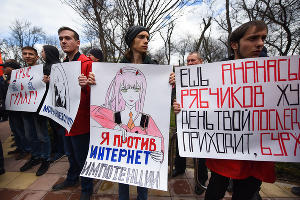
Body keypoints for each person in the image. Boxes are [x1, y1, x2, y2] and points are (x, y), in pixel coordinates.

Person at [170, 21, 275, 200]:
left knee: (246, 193)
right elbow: (203, 102)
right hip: (223, 150)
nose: (260, 43)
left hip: (256, 151)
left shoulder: (274, 72)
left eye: (263, 38)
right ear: (234, 44)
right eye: (253, 38)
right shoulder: (216, 73)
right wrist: (183, 107)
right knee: (215, 188)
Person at [88, 25, 157, 200]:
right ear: (131, 40)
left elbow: (161, 98)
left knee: (143, 174)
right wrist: (95, 82)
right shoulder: (115, 68)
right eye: (141, 37)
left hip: (143, 141)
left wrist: (169, 82)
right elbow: (97, 108)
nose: (146, 40)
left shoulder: (155, 67)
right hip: (121, 142)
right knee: (122, 175)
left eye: (147, 37)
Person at [51, 27, 93, 200]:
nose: (63, 41)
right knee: (70, 153)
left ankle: (86, 189)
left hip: (81, 121)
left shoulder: (88, 63)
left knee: (82, 157)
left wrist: (87, 86)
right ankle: (72, 178)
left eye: (67, 38)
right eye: (61, 38)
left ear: (77, 42)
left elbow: (98, 95)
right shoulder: (61, 66)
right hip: (65, 120)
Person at [171, 52, 208, 195]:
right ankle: (179, 168)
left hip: (202, 121)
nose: (190, 63)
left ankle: (201, 180)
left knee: (201, 153)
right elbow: (173, 97)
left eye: (193, 60)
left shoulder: (208, 76)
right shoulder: (180, 78)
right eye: (188, 61)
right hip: (183, 119)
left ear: (201, 61)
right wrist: (174, 103)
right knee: (181, 146)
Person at [19, 46, 49, 176]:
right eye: (25, 54)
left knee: (42, 135)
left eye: (31, 54)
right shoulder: (19, 73)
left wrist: (46, 82)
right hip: (25, 110)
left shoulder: (43, 69)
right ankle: (35, 157)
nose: (27, 56)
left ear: (36, 57)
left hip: (39, 109)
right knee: (29, 135)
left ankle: (45, 159)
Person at [40, 45, 66, 163]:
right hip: (50, 102)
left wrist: (50, 81)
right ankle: (57, 149)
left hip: (57, 103)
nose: (41, 53)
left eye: (43, 51)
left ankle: (61, 150)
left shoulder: (56, 67)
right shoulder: (46, 66)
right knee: (55, 128)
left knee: (59, 128)